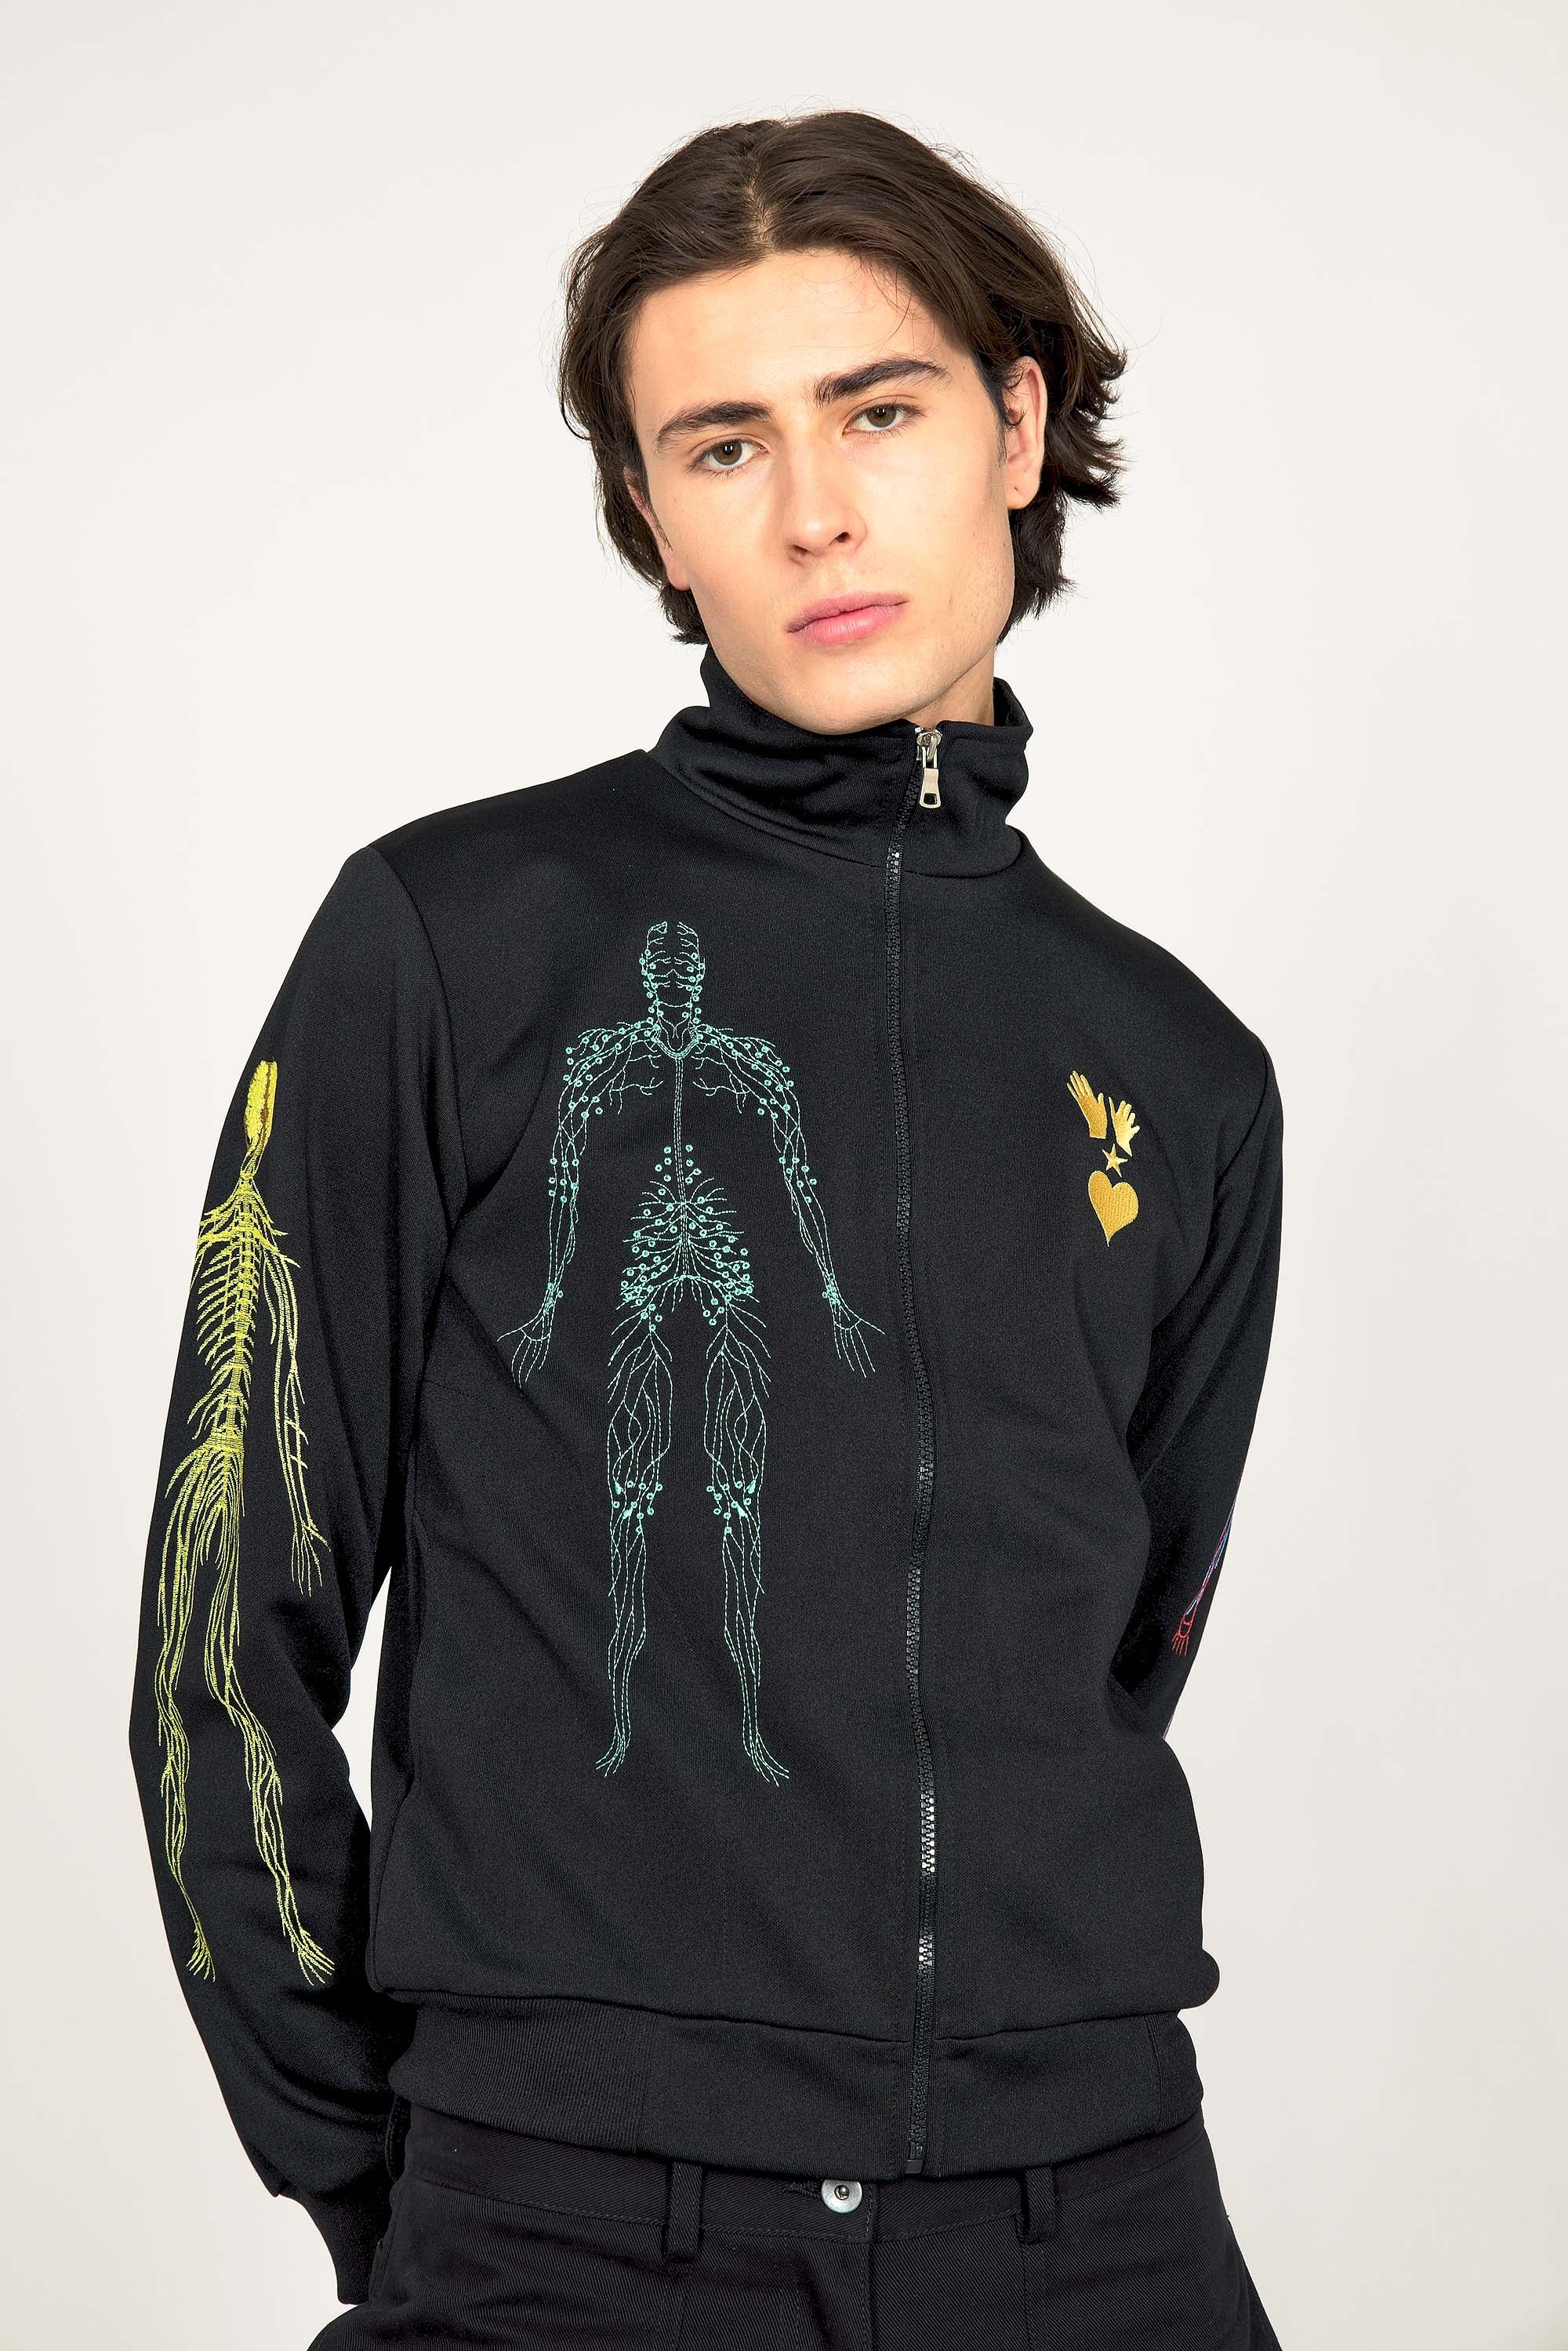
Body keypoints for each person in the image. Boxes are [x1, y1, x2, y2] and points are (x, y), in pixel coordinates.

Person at [127, 107, 1286, 2349]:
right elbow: (220, 1627)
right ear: (652, 513)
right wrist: (401, 2175)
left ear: (1015, 425)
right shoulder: (449, 943)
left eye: (881, 412)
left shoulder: (1180, 1068)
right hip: (568, 2221)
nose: (815, 511)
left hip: (1095, 2218)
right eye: (725, 445)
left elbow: (1126, 1635)